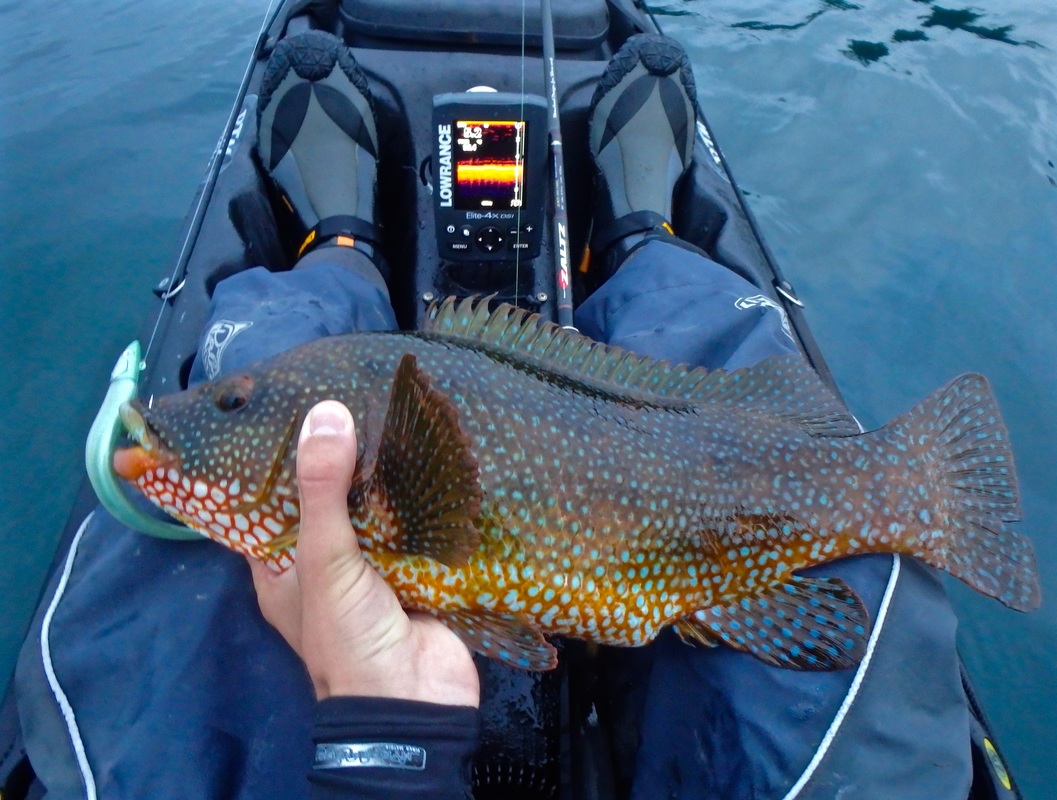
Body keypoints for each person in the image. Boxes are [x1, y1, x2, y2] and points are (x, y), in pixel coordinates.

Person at [14, 28, 973, 800]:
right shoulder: (379, 476)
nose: (207, 413)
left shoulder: (360, 466)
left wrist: (383, 733)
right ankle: (645, 235)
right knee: (711, 336)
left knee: (283, 340)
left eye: (231, 405)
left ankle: (339, 241)